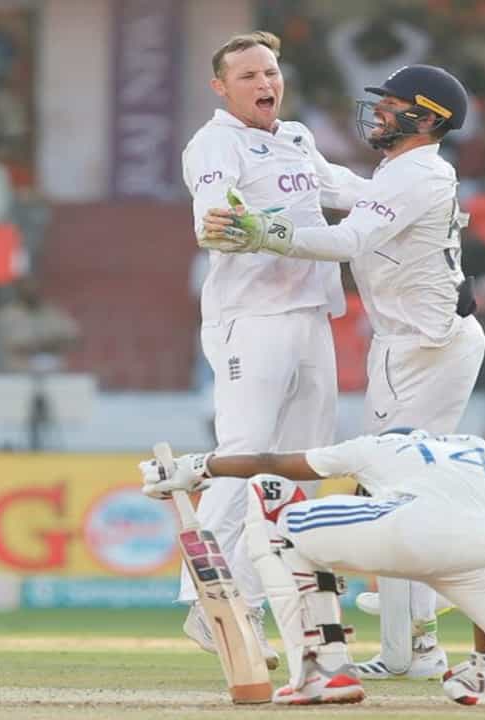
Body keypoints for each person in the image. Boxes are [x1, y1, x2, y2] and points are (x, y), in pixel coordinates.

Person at [198, 63, 485, 682]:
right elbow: (340, 189)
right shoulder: (401, 171)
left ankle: (426, 625)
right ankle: (412, 645)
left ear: (427, 118)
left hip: (425, 349)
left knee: (394, 488)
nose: (378, 112)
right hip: (412, 345)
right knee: (395, 489)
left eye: (393, 104)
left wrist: (265, 231)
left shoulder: (417, 173)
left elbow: (348, 241)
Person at [139, 429, 485, 707]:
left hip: (412, 524)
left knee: (275, 503)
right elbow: (475, 576)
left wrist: (199, 467)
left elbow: (271, 461)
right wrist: (483, 664)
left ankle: (321, 670)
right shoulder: (479, 451)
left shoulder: (376, 447)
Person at [179, 30, 369, 675]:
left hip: (312, 311)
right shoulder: (215, 142)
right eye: (249, 76)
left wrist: (406, 199)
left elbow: (339, 187)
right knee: (242, 454)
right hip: (252, 318)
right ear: (221, 88)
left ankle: (254, 601)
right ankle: (205, 599)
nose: (265, 84)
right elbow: (212, 213)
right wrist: (219, 221)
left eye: (270, 72)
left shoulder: (296, 137)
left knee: (297, 468)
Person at [0, 276, 79, 373]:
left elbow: (73, 337)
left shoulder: (53, 312)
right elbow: (5, 345)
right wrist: (32, 346)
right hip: (19, 371)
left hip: (54, 369)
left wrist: (50, 343)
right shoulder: (7, 315)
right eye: (26, 289)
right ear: (19, 291)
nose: (31, 292)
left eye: (34, 288)